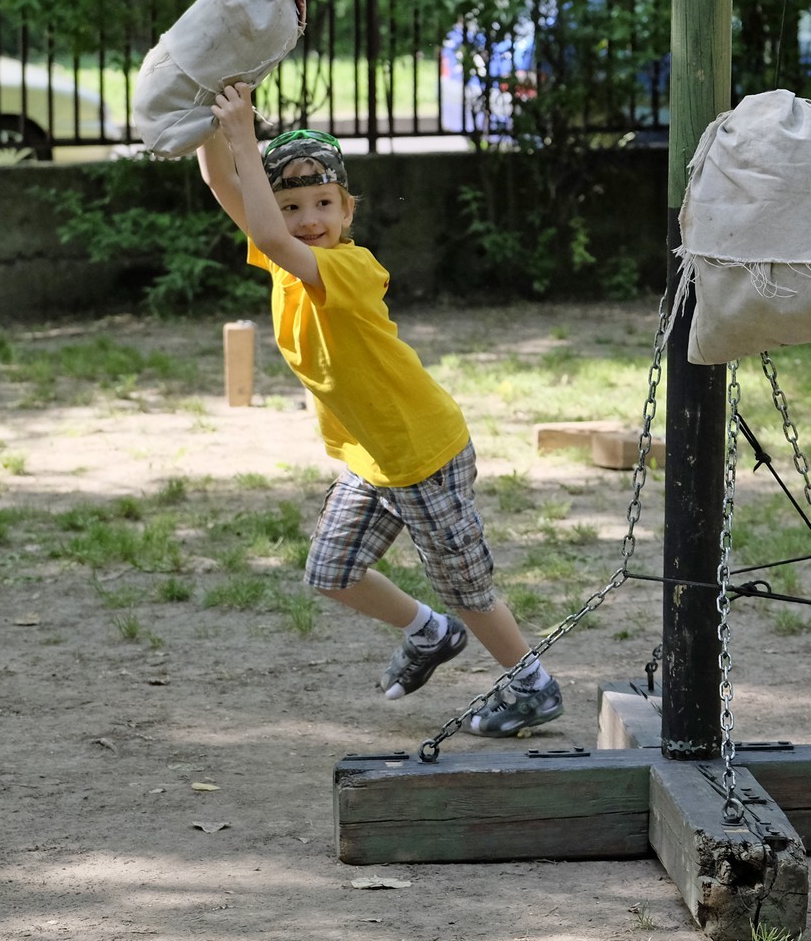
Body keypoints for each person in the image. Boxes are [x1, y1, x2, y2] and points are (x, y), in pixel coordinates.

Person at [197, 82, 563, 738]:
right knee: (331, 573)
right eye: (291, 207)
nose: (308, 219)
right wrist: (202, 119)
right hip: (371, 459)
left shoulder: (347, 268)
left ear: (348, 210)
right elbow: (225, 186)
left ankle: (532, 685)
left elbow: (270, 231)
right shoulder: (286, 265)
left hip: (421, 453)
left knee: (466, 586)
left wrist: (244, 136)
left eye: (323, 204)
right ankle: (430, 633)